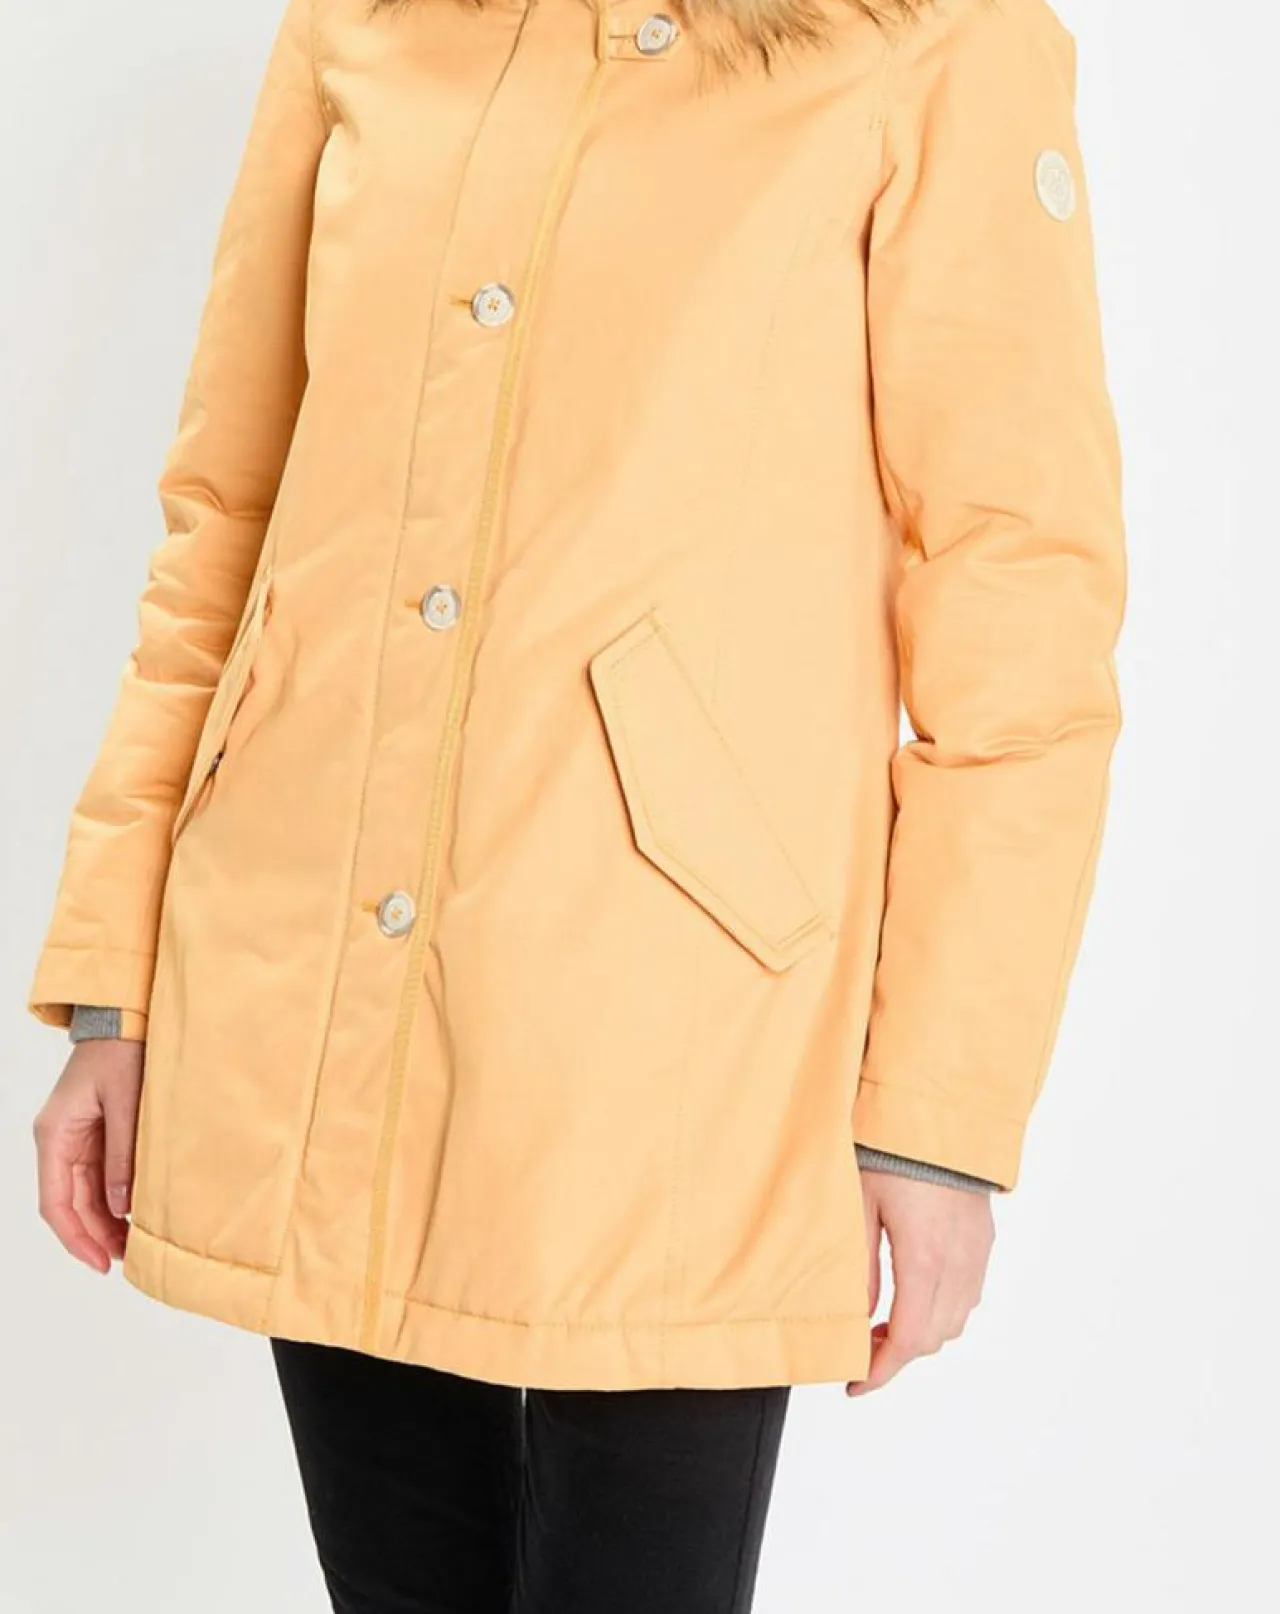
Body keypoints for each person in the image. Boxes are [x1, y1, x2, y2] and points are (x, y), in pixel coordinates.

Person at [27, 0, 1126, 1608]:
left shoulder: (928, 39)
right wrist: (112, 984)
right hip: (313, 983)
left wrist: (939, 1118)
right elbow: (225, 517)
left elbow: (1020, 605)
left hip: (681, 1037)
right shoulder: (366, 23)